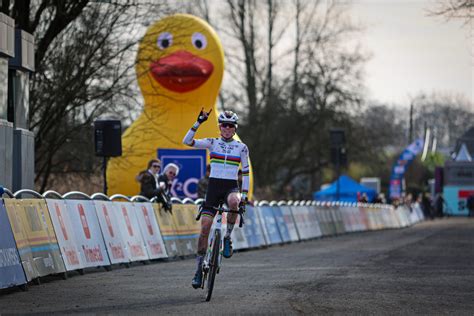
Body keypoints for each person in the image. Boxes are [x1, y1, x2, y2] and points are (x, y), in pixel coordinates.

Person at [183, 109, 250, 289]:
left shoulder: (241, 147)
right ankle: (198, 269)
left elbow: (245, 172)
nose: (227, 128)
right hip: (213, 189)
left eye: (231, 125)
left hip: (230, 187)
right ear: (220, 127)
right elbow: (187, 141)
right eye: (224, 125)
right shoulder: (212, 143)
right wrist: (198, 123)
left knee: (235, 202)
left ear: (235, 129)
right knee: (205, 228)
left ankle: (227, 237)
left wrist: (245, 195)